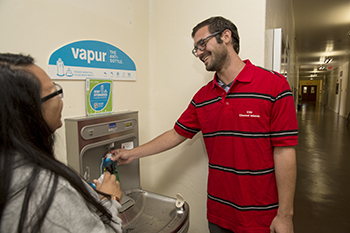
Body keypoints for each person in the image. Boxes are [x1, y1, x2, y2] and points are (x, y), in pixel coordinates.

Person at [112, 16, 298, 233]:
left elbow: (285, 151)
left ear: (226, 37)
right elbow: (176, 134)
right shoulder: (203, 97)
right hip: (219, 214)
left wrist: (285, 215)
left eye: (202, 44)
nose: (199, 53)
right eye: (196, 49)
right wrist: (133, 153)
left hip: (260, 216)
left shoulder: (274, 85)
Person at [0, 53, 123, 233]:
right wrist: (110, 198)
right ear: (27, 108)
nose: (60, 99)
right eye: (54, 92)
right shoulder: (48, 190)